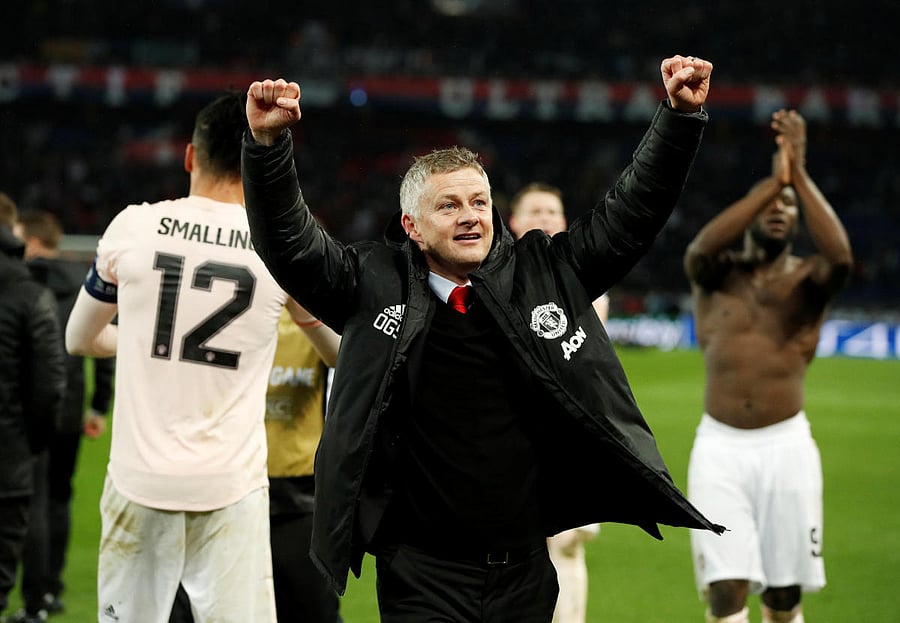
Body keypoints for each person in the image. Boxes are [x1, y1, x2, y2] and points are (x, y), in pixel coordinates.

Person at [242, 54, 723, 623]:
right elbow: (292, 247)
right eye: (448, 206)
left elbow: (632, 215)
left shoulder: (542, 272)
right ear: (412, 227)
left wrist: (678, 118)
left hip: (524, 570)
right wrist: (268, 149)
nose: (471, 216)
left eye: (479, 202)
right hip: (421, 573)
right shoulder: (371, 283)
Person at [65, 92, 290, 623]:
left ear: (190, 156)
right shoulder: (281, 245)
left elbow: (79, 339)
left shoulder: (133, 226)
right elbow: (338, 349)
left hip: (140, 480)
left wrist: (142, 339)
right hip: (231, 486)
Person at [683, 109, 853, 623]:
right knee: (725, 592)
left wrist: (796, 175)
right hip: (719, 450)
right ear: (751, 211)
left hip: (786, 449)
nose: (780, 209)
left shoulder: (810, 281)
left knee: (782, 596)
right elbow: (699, 246)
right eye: (770, 204)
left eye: (789, 206)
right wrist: (770, 183)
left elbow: (842, 257)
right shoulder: (716, 276)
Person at [167, 304, 343, 623]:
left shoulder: (313, 317)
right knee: (202, 606)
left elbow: (345, 369)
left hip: (297, 496)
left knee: (309, 608)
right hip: (222, 489)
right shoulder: (220, 315)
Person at [507, 181, 608, 623]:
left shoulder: (585, 278)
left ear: (565, 223)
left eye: (553, 211)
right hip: (511, 432)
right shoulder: (491, 276)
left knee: (565, 546)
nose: (544, 218)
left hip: (569, 430)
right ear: (512, 222)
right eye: (534, 211)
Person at [10, 210, 115, 620]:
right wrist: (98, 405)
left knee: (33, 499)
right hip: (71, 409)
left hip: (30, 408)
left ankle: (35, 598)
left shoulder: (20, 285)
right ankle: (52, 587)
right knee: (60, 497)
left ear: (34, 242)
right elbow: (104, 346)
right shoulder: (83, 285)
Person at [0, 206, 66, 623]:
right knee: (52, 501)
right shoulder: (29, 290)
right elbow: (50, 378)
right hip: (15, 446)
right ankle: (43, 594)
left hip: (22, 435)